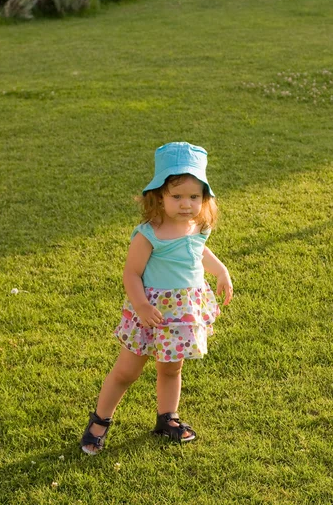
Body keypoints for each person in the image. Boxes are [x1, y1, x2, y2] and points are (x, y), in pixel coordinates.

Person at [81, 142, 233, 454]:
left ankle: (167, 418)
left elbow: (198, 251)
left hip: (182, 312)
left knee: (171, 369)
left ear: (204, 198)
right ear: (159, 196)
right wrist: (141, 306)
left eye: (194, 196)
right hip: (151, 312)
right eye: (176, 196)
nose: (186, 204)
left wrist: (220, 271)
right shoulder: (148, 234)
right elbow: (131, 274)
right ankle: (100, 420)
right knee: (127, 371)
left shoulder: (197, 226)